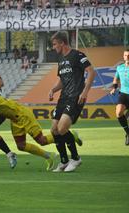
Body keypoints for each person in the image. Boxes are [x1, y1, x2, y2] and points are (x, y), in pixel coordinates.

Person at [49, 31, 96, 172]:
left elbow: (91, 72)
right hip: (63, 98)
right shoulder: (61, 60)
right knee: (54, 130)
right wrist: (53, 90)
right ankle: (64, 161)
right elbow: (62, 81)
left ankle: (75, 158)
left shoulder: (77, 55)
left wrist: (85, 92)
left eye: (55, 44)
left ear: (62, 43)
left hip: (75, 97)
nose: (53, 47)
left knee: (62, 129)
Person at [110, 49, 129, 145]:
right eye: (126, 55)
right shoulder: (120, 68)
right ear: (123, 56)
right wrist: (114, 88)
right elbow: (116, 79)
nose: (127, 57)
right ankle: (128, 133)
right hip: (124, 94)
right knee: (118, 113)